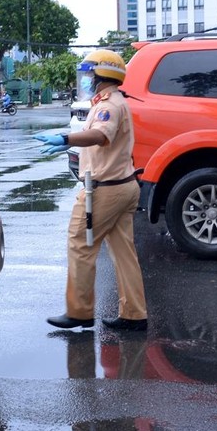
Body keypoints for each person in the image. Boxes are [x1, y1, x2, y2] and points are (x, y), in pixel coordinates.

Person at [34, 49, 147, 332]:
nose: (86, 80)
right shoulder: (114, 101)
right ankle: (134, 314)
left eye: (89, 75)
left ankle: (80, 312)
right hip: (124, 186)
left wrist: (66, 137)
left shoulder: (109, 105)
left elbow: (101, 135)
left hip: (104, 190)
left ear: (101, 76)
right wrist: (70, 142)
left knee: (80, 245)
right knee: (124, 253)